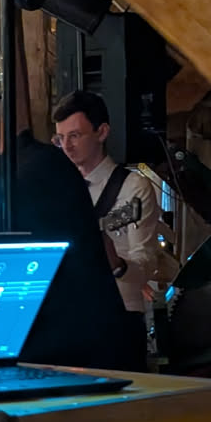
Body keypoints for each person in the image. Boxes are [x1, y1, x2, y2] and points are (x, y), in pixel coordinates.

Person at [0, 66, 145, 373]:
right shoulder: (29, 167)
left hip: (74, 366)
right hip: (66, 359)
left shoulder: (30, 176)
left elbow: (29, 290)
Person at [51, 88, 163, 326]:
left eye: (74, 136)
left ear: (101, 132)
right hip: (71, 316)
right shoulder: (59, 188)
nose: (67, 146)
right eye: (60, 139)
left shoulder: (133, 187)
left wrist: (118, 265)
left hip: (119, 317)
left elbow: (147, 263)